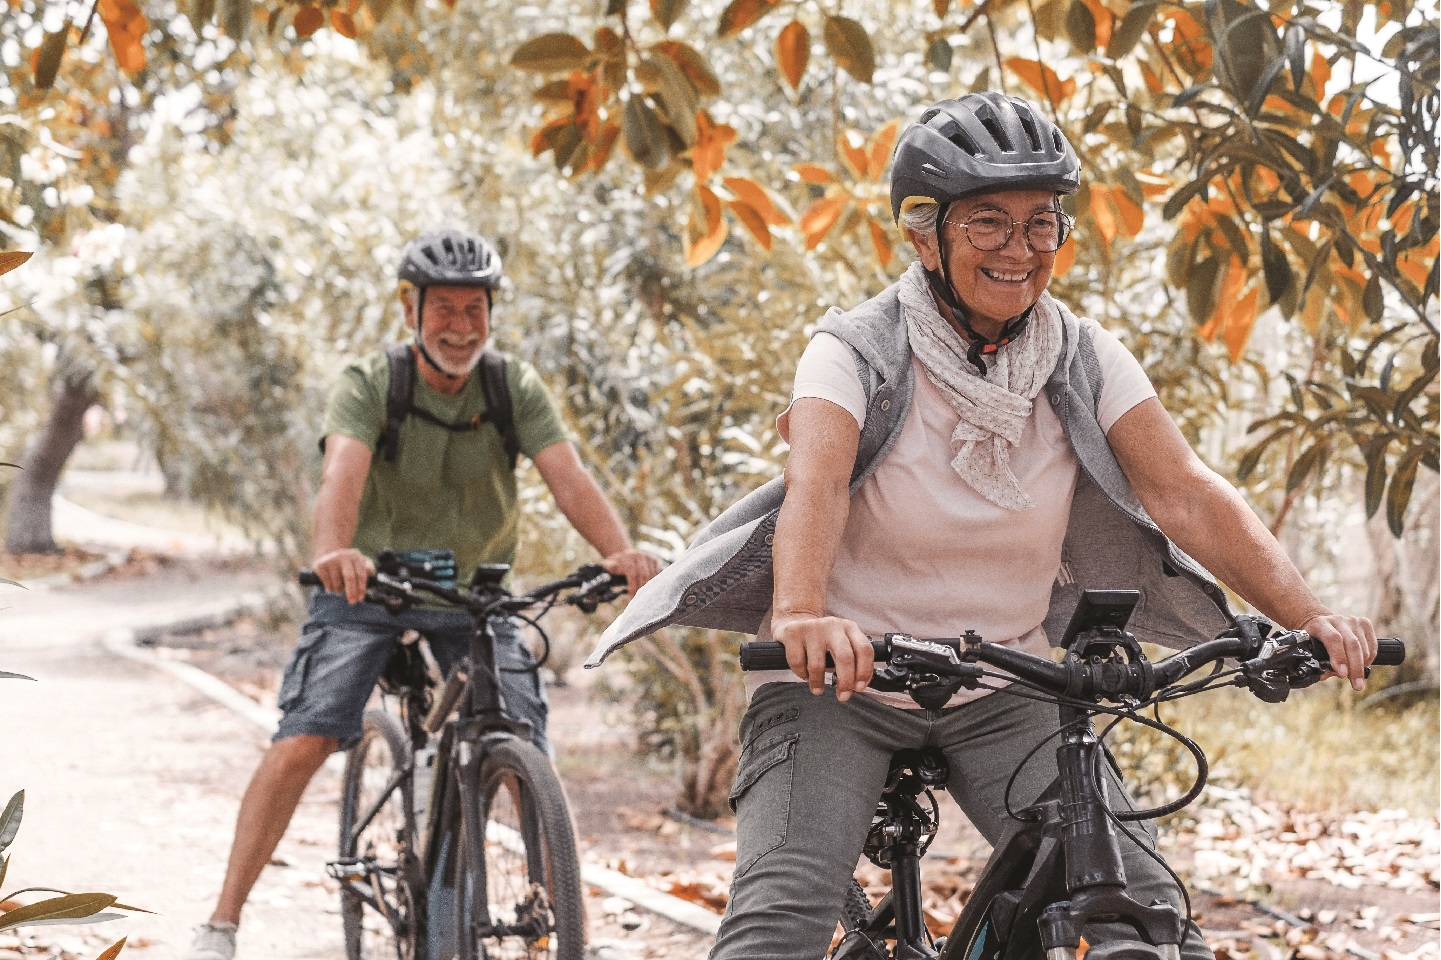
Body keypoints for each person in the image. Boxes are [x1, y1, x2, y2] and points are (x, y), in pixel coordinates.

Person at [586, 93, 1377, 960]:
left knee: (1140, 915)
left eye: (1041, 225)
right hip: (838, 685)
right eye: (988, 224)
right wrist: (804, 612)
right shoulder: (853, 351)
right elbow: (817, 484)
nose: (1020, 249)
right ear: (924, 235)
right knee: (778, 921)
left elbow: (1184, 492)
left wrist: (1307, 616)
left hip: (1007, 686)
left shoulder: (1078, 355)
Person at [186, 228, 659, 960]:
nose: (461, 326)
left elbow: (567, 476)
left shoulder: (510, 387)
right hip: (369, 582)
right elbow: (340, 473)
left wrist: (617, 552)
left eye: (476, 309)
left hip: (474, 594)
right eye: (445, 308)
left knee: (523, 742)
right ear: (412, 307)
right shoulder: (373, 383)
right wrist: (333, 554)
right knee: (306, 736)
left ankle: (561, 927)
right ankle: (221, 923)